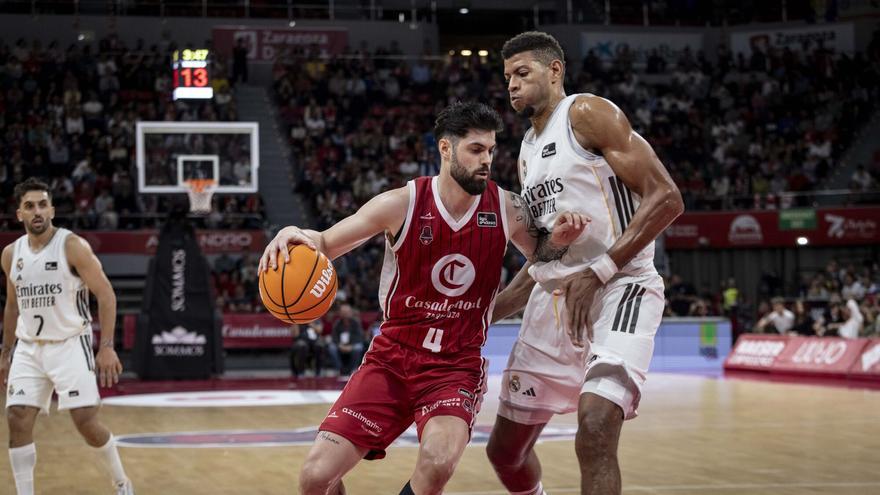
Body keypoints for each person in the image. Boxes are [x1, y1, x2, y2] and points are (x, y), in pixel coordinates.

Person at [258, 101, 588, 495]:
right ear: (446, 149)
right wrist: (291, 231)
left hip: (454, 367)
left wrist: (559, 242)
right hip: (391, 359)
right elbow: (325, 242)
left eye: (491, 150)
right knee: (315, 477)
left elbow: (543, 260)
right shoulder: (401, 204)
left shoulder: (506, 208)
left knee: (437, 464)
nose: (487, 160)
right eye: (476, 149)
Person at [487, 32, 684, 495]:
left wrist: (598, 273)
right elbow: (541, 261)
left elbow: (667, 197)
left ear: (554, 71)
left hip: (620, 287)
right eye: (507, 78)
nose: (512, 86)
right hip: (554, 301)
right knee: (504, 452)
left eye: (522, 73)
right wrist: (476, 316)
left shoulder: (587, 113)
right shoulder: (527, 151)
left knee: (595, 427)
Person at [0, 178, 134, 495]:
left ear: (52, 210)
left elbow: (106, 294)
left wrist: (107, 347)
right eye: (30, 206)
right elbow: (12, 305)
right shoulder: (10, 254)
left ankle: (121, 483)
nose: (37, 211)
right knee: (17, 419)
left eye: (43, 205)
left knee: (86, 423)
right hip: (29, 348)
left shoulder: (72, 246)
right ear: (19, 213)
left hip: (70, 344)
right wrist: (6, 351)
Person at [326, 304, 365, 376]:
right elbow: (334, 336)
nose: (345, 314)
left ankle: (353, 369)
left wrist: (351, 346)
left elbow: (359, 336)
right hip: (340, 345)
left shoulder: (356, 323)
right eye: (343, 312)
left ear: (350, 312)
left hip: (352, 345)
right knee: (332, 348)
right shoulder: (337, 323)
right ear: (340, 313)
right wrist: (339, 345)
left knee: (358, 347)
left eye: (347, 312)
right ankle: (338, 369)